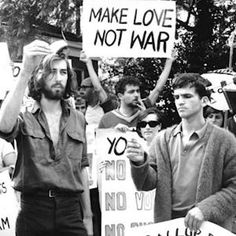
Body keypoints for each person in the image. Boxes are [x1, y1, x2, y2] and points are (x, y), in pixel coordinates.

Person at [0, 40, 93, 236]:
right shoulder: (24, 114)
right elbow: (4, 126)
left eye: (63, 72)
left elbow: (82, 168)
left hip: (70, 211)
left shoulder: (79, 119)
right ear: (39, 76)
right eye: (51, 71)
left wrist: (88, 217)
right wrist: (25, 71)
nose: (58, 77)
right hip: (33, 211)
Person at [126, 73, 236, 232]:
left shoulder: (225, 140)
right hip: (170, 226)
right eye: (177, 97)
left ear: (204, 101)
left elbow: (233, 188)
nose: (180, 102)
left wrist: (204, 210)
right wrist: (139, 162)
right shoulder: (162, 139)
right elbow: (147, 184)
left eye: (187, 96)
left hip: (209, 227)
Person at [99, 51, 176, 130]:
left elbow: (158, 89)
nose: (136, 95)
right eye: (131, 92)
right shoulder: (106, 119)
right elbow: (101, 140)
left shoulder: (145, 108)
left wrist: (169, 63)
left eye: (137, 91)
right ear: (120, 96)